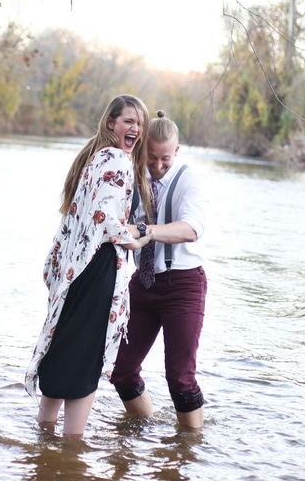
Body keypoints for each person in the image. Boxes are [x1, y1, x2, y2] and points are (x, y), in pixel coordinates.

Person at [24, 94, 155, 437]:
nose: (135, 129)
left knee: (64, 345)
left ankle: (44, 438)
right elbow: (107, 222)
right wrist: (139, 234)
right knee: (88, 358)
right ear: (111, 122)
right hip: (97, 268)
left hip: (76, 267)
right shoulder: (118, 160)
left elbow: (79, 218)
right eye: (129, 120)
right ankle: (72, 448)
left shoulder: (93, 155)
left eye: (139, 123)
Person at [110, 110, 209, 429]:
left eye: (165, 158)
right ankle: (144, 429)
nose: (157, 165)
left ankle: (189, 449)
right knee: (121, 371)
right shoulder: (132, 174)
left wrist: (148, 230)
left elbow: (191, 228)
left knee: (180, 379)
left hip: (183, 286)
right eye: (151, 157)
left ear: (176, 152)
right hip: (144, 284)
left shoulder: (189, 178)